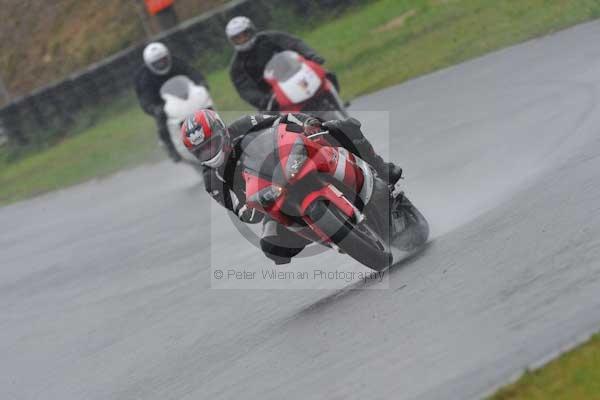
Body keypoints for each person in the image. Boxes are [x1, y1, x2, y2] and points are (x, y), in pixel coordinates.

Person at [181, 109, 403, 265]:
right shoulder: (212, 179)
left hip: (289, 161)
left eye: (211, 144)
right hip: (270, 197)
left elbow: (283, 119)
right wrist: (249, 209)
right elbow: (237, 208)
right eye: (201, 151)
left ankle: (381, 169)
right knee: (271, 246)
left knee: (341, 128)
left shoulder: (244, 125)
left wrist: (307, 124)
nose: (209, 153)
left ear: (222, 131)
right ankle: (332, 238)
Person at [225, 16, 337, 110]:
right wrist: (263, 100)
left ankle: (337, 104)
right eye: (237, 38)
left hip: (296, 75)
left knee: (327, 76)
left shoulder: (270, 38)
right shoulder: (236, 67)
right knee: (273, 125)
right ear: (232, 41)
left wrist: (311, 56)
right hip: (273, 96)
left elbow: (294, 43)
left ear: (251, 31)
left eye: (244, 34)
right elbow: (246, 90)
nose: (242, 39)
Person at [134, 42, 209, 162]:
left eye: (163, 60)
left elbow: (191, 72)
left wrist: (201, 82)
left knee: (204, 100)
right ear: (149, 64)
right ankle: (171, 147)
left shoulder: (176, 62)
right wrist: (153, 108)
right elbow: (144, 99)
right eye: (157, 63)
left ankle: (217, 125)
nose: (161, 63)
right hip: (162, 104)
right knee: (161, 120)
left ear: (168, 56)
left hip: (186, 94)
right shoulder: (143, 77)